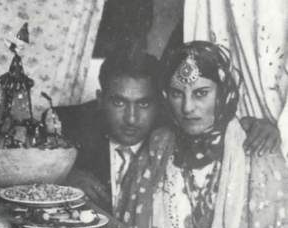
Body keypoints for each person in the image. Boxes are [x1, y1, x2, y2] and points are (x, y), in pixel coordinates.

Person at [120, 41, 288, 228]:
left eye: (201, 93)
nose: (187, 107)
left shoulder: (258, 153)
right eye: (176, 93)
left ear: (223, 93)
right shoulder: (157, 148)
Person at [58, 52, 281, 216]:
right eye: (119, 102)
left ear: (161, 103)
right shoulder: (67, 127)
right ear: (100, 99)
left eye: (144, 104)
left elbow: (222, 125)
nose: (131, 118)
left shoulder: (175, 132)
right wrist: (59, 175)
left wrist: (260, 126)